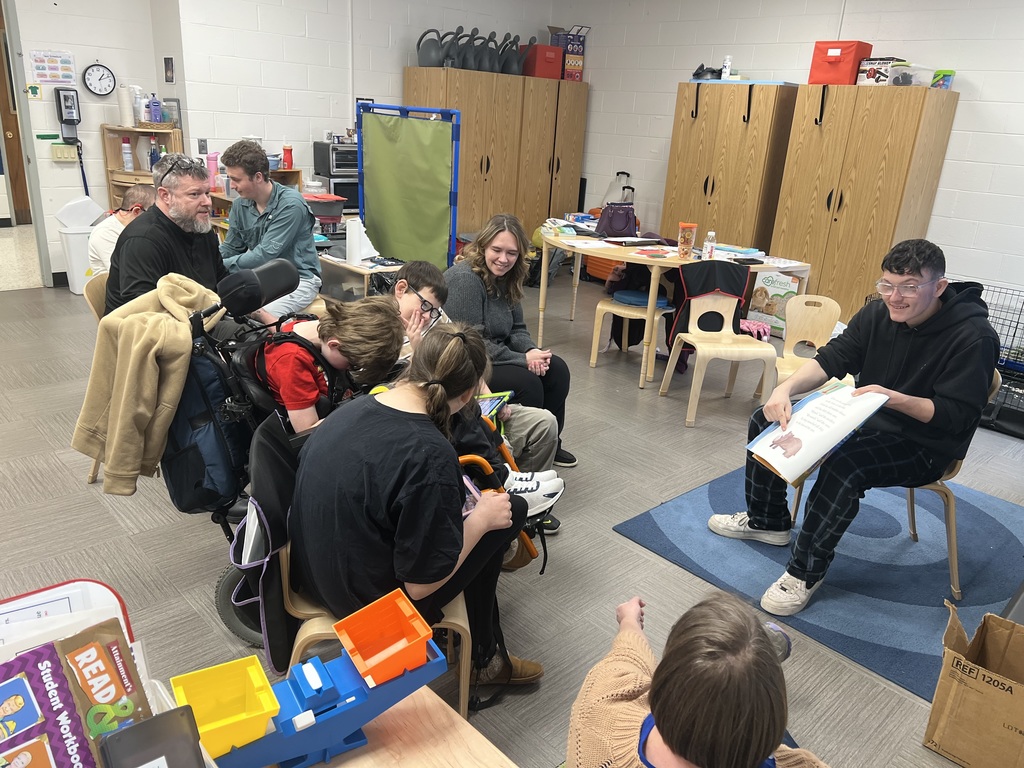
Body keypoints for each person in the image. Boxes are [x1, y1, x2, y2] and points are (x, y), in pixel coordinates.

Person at [709, 239, 1000, 616]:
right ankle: (768, 520)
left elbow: (954, 416)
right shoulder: (877, 315)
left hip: (926, 442)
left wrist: (889, 397)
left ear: (939, 287)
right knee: (765, 419)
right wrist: (783, 390)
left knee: (846, 465)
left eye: (909, 287)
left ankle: (804, 572)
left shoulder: (973, 337)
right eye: (887, 285)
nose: (895, 297)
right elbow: (832, 359)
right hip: (866, 417)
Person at [289, 323, 544, 688]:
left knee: (480, 513)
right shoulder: (429, 454)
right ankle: (485, 659)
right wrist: (481, 522)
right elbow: (420, 586)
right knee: (509, 512)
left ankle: (486, 649)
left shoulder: (355, 407)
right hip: (369, 607)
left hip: (313, 572)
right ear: (470, 393)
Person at [566, 591, 830, 768]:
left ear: (664, 683)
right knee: (750, 704)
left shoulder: (598, 711)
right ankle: (758, 658)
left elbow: (624, 661)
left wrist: (629, 623)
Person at [394, 260, 565, 527]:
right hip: (442, 413)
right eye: (425, 305)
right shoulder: (386, 333)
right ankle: (504, 481)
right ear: (400, 290)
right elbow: (410, 392)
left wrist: (488, 400)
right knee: (472, 413)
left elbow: (472, 360)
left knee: (544, 421)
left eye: (435, 311)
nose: (428, 316)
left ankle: (526, 502)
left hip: (464, 402)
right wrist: (416, 349)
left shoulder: (437, 320)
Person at [444, 214, 576, 468]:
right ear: (483, 247)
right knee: (529, 385)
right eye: (497, 250)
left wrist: (531, 350)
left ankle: (550, 442)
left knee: (557, 369)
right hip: (471, 363)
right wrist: (522, 359)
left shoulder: (508, 278)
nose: (504, 259)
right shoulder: (465, 280)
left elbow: (517, 328)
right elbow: (472, 344)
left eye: (512, 253)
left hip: (498, 354)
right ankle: (515, 453)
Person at [260, 296, 404, 432]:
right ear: (334, 345)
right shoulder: (292, 361)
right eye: (353, 365)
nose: (352, 368)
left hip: (337, 399)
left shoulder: (318, 326)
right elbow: (306, 431)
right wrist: (363, 411)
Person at [105, 154, 225, 314]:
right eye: (194, 194)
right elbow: (144, 313)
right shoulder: (143, 240)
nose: (207, 202)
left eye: (207, 193)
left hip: (201, 317)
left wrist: (256, 312)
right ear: (165, 195)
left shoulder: (200, 228)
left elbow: (222, 283)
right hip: (154, 330)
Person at [219, 140, 322, 315]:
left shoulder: (291, 205)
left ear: (258, 177)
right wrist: (210, 264)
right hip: (260, 278)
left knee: (258, 316)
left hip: (298, 279)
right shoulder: (239, 205)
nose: (232, 186)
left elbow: (264, 255)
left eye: (236, 180)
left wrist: (220, 267)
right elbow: (231, 247)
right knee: (218, 309)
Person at [87, 184, 156, 275]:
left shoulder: (138, 228)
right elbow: (126, 273)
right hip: (120, 286)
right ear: (136, 211)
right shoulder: (105, 233)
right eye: (154, 213)